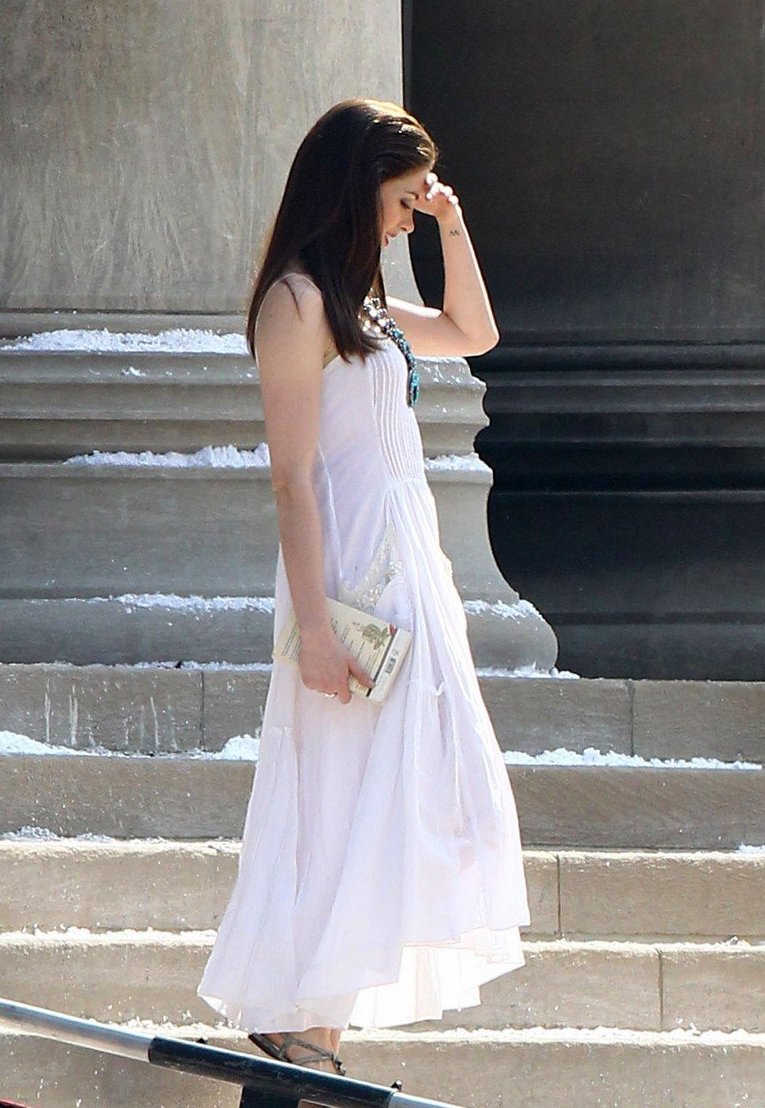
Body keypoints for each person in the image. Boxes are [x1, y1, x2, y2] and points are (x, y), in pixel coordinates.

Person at [197, 98, 530, 1077]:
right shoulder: (297, 301)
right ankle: (302, 1024)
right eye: (399, 199)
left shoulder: (364, 303)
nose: (403, 218)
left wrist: (450, 221)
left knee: (409, 785)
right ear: (354, 187)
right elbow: (293, 478)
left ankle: (318, 1031)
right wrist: (315, 627)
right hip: (345, 577)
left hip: (405, 565)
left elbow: (472, 330)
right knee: (338, 789)